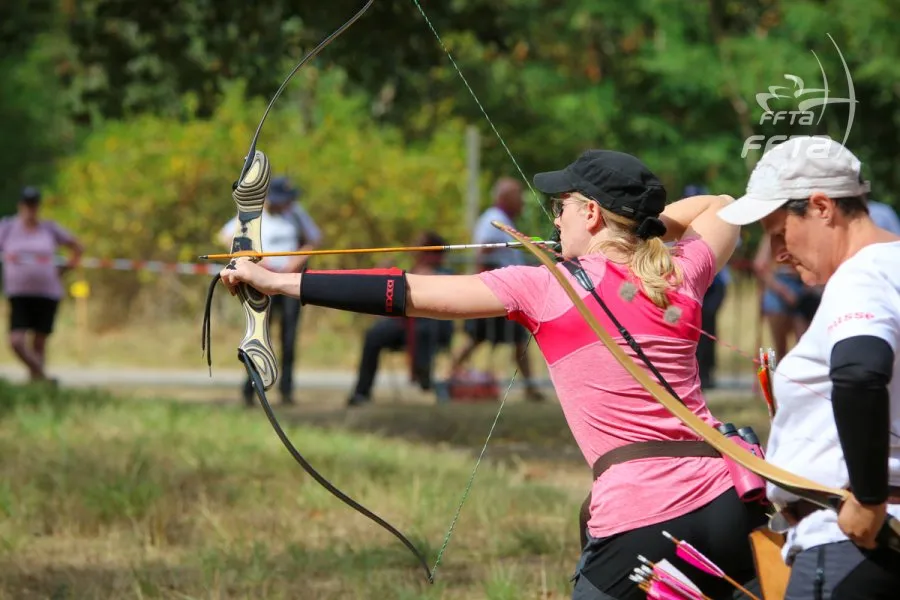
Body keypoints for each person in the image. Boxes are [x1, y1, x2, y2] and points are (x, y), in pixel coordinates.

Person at [217, 149, 767, 600]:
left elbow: (406, 294)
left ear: (593, 214)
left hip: (643, 516)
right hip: (730, 506)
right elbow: (722, 205)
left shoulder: (544, 286)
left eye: (563, 206)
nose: (554, 218)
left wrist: (280, 283)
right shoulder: (678, 273)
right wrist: (644, 233)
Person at [718, 135, 900, 599]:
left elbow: (860, 371)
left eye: (780, 232)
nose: (777, 252)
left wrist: (868, 498)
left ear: (822, 207)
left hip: (852, 546)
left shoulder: (861, 275)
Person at [218, 175, 321, 405]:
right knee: (259, 336)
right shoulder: (254, 214)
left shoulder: (296, 213)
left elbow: (312, 241)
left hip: (289, 282)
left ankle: (286, 390)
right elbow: (226, 236)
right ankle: (251, 389)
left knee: (289, 338)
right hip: (261, 285)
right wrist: (255, 262)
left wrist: (294, 262)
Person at [449, 177, 544, 401]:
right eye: (517, 196)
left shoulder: (501, 219)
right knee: (482, 337)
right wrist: (486, 287)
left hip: (502, 290)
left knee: (498, 339)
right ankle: (448, 378)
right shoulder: (493, 219)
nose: (521, 201)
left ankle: (529, 387)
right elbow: (484, 253)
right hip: (497, 292)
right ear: (504, 198)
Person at [346, 231, 454, 407]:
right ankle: (361, 393)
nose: (415, 250)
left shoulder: (444, 272)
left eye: (420, 247)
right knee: (374, 335)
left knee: (424, 331)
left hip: (433, 326)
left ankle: (425, 379)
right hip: (406, 325)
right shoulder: (411, 268)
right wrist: (382, 271)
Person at [0, 186, 83, 383]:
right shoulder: (8, 227)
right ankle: (42, 375)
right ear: (20, 206)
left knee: (39, 341)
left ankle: (36, 386)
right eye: (27, 205)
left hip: (47, 292)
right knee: (17, 341)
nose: (30, 209)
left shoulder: (49, 228)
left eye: (34, 205)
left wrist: (63, 269)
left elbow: (77, 247)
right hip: (19, 293)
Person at [684, 184, 730, 390]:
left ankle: (707, 372)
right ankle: (693, 372)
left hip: (715, 285)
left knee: (709, 327)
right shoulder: (678, 225)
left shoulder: (716, 221)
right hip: (690, 285)